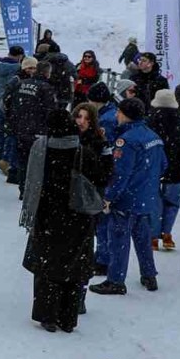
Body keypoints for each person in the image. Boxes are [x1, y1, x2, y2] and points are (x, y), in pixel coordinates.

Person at [20, 110, 97, 333]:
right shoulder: (83, 152)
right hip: (78, 217)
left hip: (48, 217)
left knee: (46, 268)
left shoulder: (41, 150)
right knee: (72, 268)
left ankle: (47, 315)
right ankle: (68, 317)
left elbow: (33, 183)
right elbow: (101, 178)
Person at [90, 97, 166, 296]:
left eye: (119, 112)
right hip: (146, 197)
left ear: (125, 114)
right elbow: (163, 165)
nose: (116, 115)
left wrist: (109, 197)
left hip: (128, 199)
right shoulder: (154, 137)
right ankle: (149, 274)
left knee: (118, 240)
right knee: (142, 238)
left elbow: (120, 174)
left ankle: (115, 280)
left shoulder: (127, 141)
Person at [72, 102, 114, 278]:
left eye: (86, 119)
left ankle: (102, 261)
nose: (81, 122)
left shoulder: (99, 141)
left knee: (100, 227)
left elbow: (108, 168)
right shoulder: (68, 137)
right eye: (79, 117)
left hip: (93, 189)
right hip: (74, 191)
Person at [147, 90, 180, 252]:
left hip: (153, 168)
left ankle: (153, 236)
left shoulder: (149, 121)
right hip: (176, 168)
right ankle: (167, 233)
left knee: (154, 202)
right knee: (172, 203)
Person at [3, 58, 57, 190]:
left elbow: (8, 102)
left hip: (20, 128)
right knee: (36, 162)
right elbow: (51, 112)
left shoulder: (21, 83)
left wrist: (12, 121)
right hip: (37, 131)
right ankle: (30, 188)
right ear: (47, 73)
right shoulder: (47, 88)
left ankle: (22, 186)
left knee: (23, 159)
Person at [0, 45, 24, 173]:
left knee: (1, 130)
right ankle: (5, 159)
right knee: (9, 131)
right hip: (8, 102)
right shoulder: (16, 68)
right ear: (20, 56)